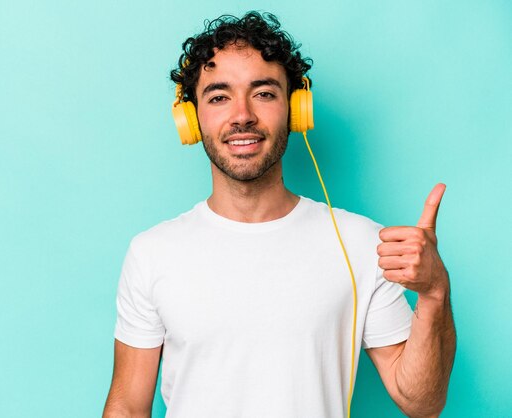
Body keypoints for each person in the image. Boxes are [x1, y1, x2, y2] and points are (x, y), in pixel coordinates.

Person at [103, 11, 455, 418]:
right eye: (219, 96)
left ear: (295, 108)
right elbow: (127, 405)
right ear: (191, 118)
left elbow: (423, 403)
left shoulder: (360, 242)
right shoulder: (152, 253)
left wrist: (433, 293)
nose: (242, 116)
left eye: (264, 93)